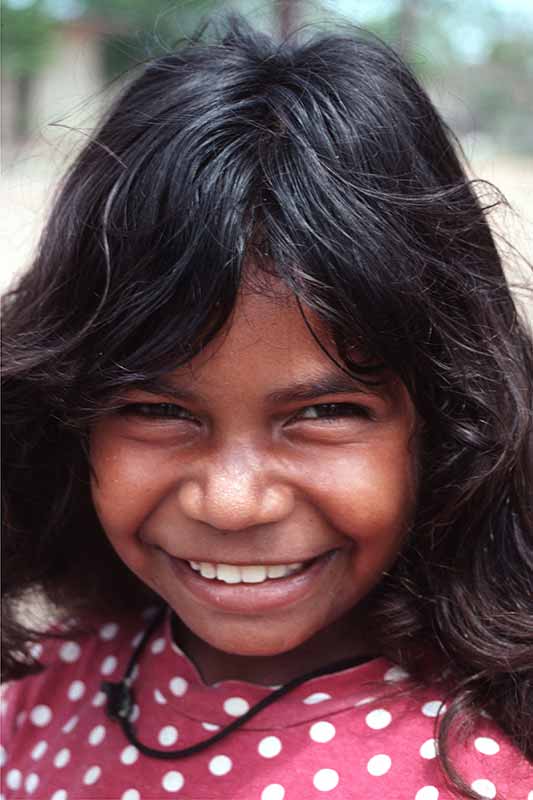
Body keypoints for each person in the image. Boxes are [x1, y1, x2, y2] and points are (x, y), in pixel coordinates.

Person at [1, 15, 532, 800]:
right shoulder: (50, 684)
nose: (232, 501)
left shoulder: (486, 763)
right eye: (155, 409)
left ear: (449, 426)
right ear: (66, 419)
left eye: (326, 414)